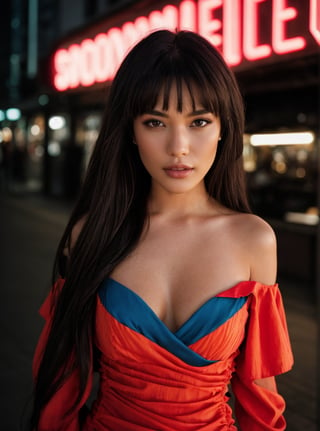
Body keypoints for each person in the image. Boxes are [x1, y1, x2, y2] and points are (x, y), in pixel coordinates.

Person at [29, 29, 293, 431]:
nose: (179, 146)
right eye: (155, 121)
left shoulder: (253, 240)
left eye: (199, 121)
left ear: (223, 128)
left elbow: (260, 396)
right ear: (130, 131)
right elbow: (62, 390)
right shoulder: (92, 234)